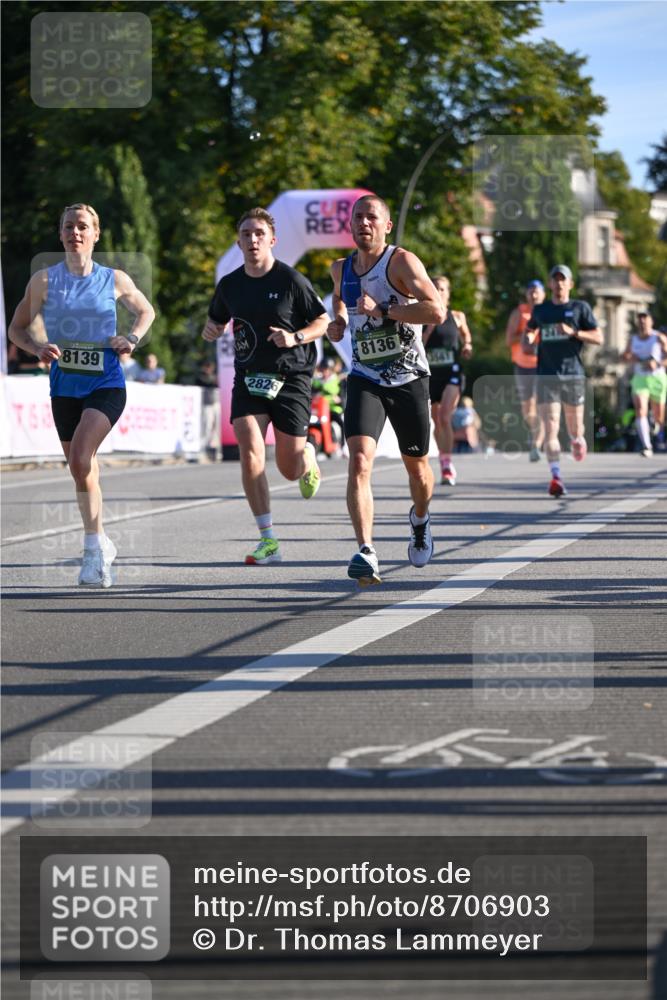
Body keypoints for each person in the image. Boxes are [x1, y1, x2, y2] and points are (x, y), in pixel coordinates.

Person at [7, 203, 155, 586]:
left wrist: (131, 338)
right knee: (80, 469)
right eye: (69, 226)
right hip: (64, 386)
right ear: (60, 235)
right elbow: (16, 329)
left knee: (80, 456)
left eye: (83, 226)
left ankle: (92, 553)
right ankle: (101, 540)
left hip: (106, 383)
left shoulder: (114, 278)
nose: (75, 232)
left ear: (95, 234)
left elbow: (146, 312)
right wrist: (37, 348)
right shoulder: (43, 281)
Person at [327, 194, 445, 585]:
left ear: (387, 226)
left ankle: (420, 519)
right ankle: (366, 550)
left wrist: (383, 310)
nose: (364, 223)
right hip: (366, 377)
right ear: (350, 225)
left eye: (372, 218)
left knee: (419, 470)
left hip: (409, 377)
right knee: (360, 460)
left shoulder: (401, 262)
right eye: (358, 217)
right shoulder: (340, 269)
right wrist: (338, 322)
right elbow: (339, 301)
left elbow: (436, 310)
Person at [202, 207, 329, 565]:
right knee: (251, 453)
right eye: (246, 234)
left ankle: (306, 456)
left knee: (289, 469)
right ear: (239, 242)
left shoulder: (291, 280)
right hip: (249, 379)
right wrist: (211, 329)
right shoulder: (230, 285)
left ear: (272, 240)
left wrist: (295, 337)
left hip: (291, 379)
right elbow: (215, 321)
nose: (253, 240)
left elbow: (322, 321)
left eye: (259, 233)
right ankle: (268, 538)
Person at [524, 265, 602, 497]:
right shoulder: (541, 310)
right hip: (546, 375)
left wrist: (574, 333)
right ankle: (555, 477)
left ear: (570, 284)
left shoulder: (580, 308)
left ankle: (578, 440)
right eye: (555, 279)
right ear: (550, 284)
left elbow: (598, 337)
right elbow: (530, 329)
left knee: (574, 427)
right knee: (550, 427)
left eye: (563, 279)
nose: (559, 283)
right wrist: (528, 338)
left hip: (572, 374)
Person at [422, 275, 473, 486]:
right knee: (437, 420)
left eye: (442, 289)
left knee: (445, 416)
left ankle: (446, 464)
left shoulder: (457, 316)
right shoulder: (422, 317)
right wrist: (429, 329)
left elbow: (466, 335)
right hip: (431, 374)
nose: (439, 292)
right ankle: (444, 458)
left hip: (452, 371)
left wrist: (467, 345)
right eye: (435, 288)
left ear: (448, 294)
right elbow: (418, 345)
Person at [505, 279, 546, 462]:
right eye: (531, 291)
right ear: (526, 294)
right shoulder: (519, 313)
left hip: (543, 365)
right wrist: (527, 331)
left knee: (541, 404)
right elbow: (509, 340)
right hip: (522, 364)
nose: (534, 295)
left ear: (544, 294)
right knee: (527, 409)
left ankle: (536, 445)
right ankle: (535, 431)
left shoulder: (548, 312)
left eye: (537, 291)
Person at [621, 311, 667, 456]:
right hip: (640, 378)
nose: (642, 324)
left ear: (651, 322)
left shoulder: (659, 338)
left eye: (645, 320)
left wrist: (657, 363)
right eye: (640, 321)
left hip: (657, 378)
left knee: (659, 416)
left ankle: (657, 427)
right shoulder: (633, 340)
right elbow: (624, 357)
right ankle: (646, 446)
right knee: (640, 409)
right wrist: (631, 358)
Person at [195, 359, 222, 461]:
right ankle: (203, 449)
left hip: (216, 404)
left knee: (217, 428)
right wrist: (213, 381)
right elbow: (206, 383)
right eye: (207, 367)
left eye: (210, 367)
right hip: (206, 405)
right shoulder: (201, 378)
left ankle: (217, 450)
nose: (208, 369)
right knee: (207, 426)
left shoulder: (215, 377)